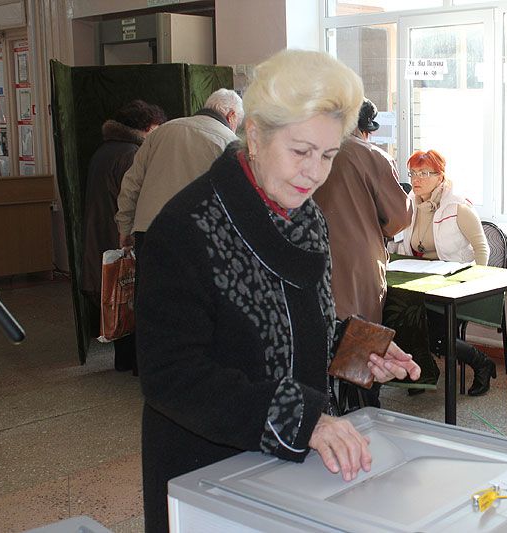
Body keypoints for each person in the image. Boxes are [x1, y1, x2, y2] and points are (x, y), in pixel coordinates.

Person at [135, 49, 421, 533]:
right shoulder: (186, 227)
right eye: (301, 151)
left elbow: (297, 324)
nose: (315, 172)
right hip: (207, 466)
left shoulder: (307, 217)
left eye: (328, 155)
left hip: (288, 462)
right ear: (254, 135)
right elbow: (172, 376)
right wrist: (303, 419)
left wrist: (357, 347)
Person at [314, 98, 412, 409]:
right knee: (362, 348)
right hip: (358, 264)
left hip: (312, 261)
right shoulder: (371, 155)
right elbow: (398, 218)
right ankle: (361, 412)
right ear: (363, 128)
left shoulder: (310, 149)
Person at [395, 149, 496, 396]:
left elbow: (482, 247)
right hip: (420, 282)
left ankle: (481, 362)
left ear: (440, 177)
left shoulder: (458, 207)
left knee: (436, 336)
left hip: (453, 284)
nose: (416, 179)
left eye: (424, 173)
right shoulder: (410, 204)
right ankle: (423, 371)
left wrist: (474, 282)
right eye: (413, 173)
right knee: (399, 317)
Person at [80, 99, 166, 372]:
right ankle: (136, 364)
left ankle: (124, 361)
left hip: (102, 235)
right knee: (132, 298)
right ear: (146, 127)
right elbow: (134, 200)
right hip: (121, 235)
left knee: (118, 297)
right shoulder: (132, 154)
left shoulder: (105, 150)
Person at [115, 88, 243, 262]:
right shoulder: (230, 143)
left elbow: (131, 184)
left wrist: (125, 229)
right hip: (199, 236)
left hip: (149, 231)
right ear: (232, 116)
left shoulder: (160, 132)